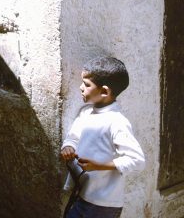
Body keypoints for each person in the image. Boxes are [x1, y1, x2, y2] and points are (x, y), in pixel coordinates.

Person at [60, 55, 145, 218]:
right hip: (81, 193)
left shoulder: (117, 122)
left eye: (86, 84)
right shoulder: (85, 112)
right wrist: (68, 147)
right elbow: (73, 137)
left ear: (105, 91)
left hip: (103, 204)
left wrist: (99, 166)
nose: (81, 88)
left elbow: (137, 160)